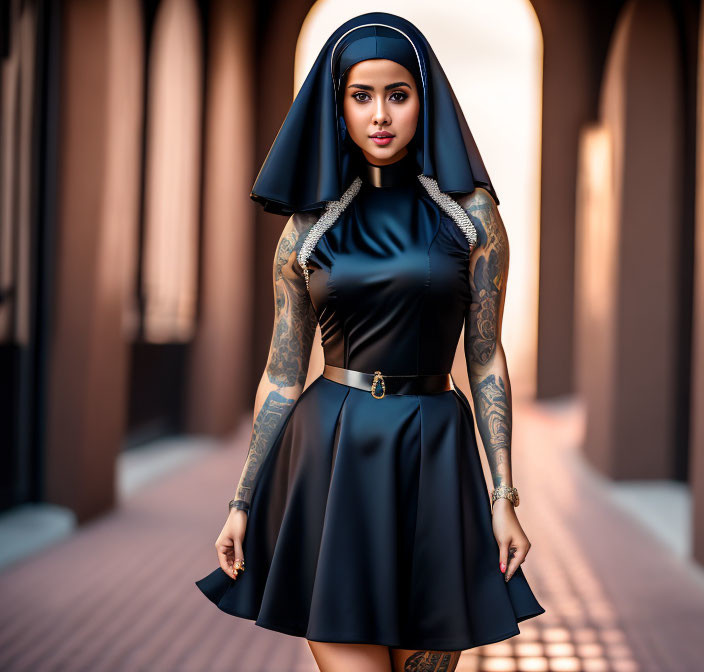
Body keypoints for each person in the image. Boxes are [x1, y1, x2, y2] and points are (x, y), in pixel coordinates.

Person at [195, 11, 545, 671]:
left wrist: (504, 496)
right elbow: (280, 372)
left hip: (434, 449)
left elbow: (487, 360)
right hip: (330, 452)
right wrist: (242, 501)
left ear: (423, 101)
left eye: (397, 94)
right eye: (362, 96)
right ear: (341, 106)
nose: (379, 114)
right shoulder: (308, 228)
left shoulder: (473, 217)